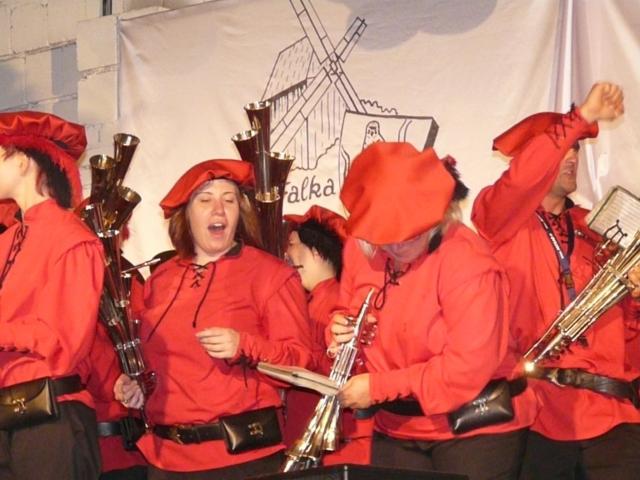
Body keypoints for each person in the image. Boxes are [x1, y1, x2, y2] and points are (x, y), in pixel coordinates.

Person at [329, 142, 535, 480]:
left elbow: (467, 367)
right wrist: (338, 329)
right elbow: (347, 308)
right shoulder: (360, 247)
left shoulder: (467, 260)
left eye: (410, 234)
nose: (397, 245)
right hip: (398, 425)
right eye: (384, 236)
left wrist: (379, 387)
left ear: (437, 215)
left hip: (475, 427)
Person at [472, 82, 640, 479]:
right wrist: (581, 117)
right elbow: (519, 182)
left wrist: (636, 297)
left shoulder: (596, 228)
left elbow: (627, 331)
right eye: (563, 148)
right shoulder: (501, 221)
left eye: (577, 149)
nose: (572, 157)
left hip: (612, 415)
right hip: (537, 416)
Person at [114, 159, 313, 479]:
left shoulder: (271, 274)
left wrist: (244, 345)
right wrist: (137, 385)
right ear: (186, 214)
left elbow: (301, 364)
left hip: (242, 460)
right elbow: (157, 363)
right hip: (166, 461)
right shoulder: (160, 280)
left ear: (240, 212)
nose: (218, 209)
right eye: (205, 200)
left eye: (229, 200)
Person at [0, 111, 104, 479]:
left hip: (50, 417)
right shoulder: (8, 240)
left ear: (23, 162)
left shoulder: (71, 238)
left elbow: (65, 341)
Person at [284, 205, 373, 466]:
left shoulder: (334, 302)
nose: (287, 254)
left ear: (316, 250)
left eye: (292, 244)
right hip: (314, 437)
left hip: (335, 442)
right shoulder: (309, 301)